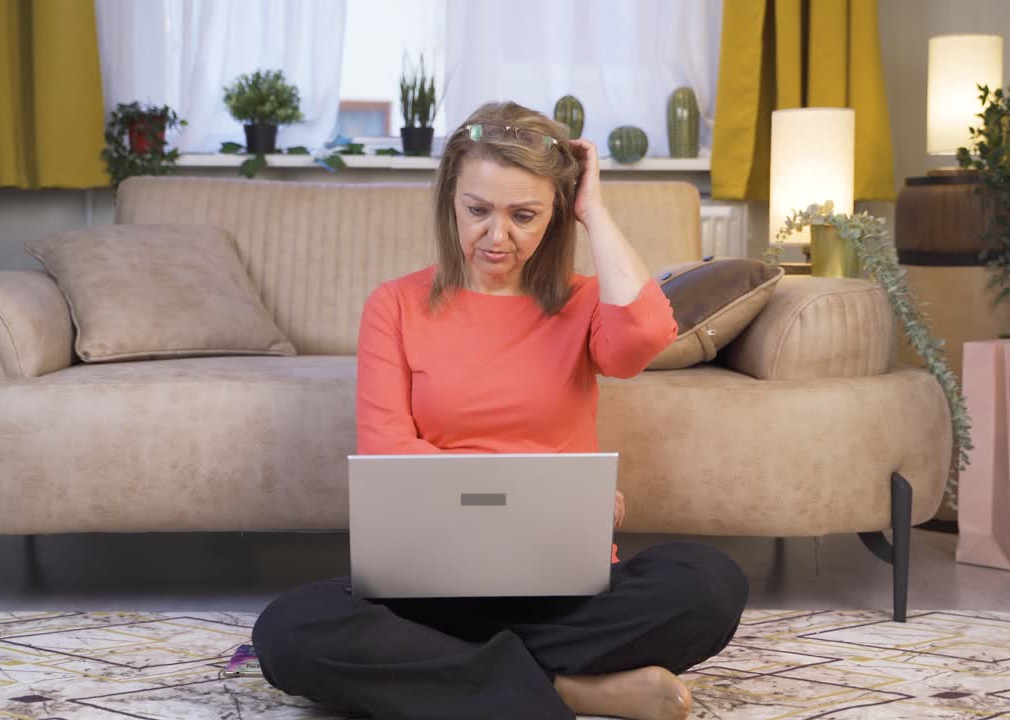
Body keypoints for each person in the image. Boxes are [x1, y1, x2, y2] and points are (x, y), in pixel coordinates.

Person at [251, 101, 748, 720]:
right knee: (287, 630)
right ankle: (569, 689)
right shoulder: (395, 306)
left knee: (710, 583)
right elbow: (388, 451)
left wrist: (594, 210)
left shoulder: (584, 300)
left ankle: (459, 676)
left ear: (556, 214)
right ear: (450, 201)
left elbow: (644, 337)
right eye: (477, 210)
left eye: (524, 215)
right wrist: (535, 490)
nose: (496, 236)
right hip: (431, 585)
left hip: (563, 585)